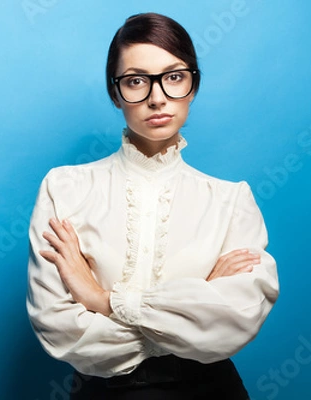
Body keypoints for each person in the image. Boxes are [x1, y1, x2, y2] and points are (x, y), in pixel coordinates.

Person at [26, 12, 279, 400]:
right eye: (136, 81)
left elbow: (234, 322)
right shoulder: (64, 189)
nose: (157, 97)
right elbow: (57, 327)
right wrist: (194, 309)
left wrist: (101, 300)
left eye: (174, 77)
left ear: (193, 86)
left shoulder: (231, 201)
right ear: (115, 93)